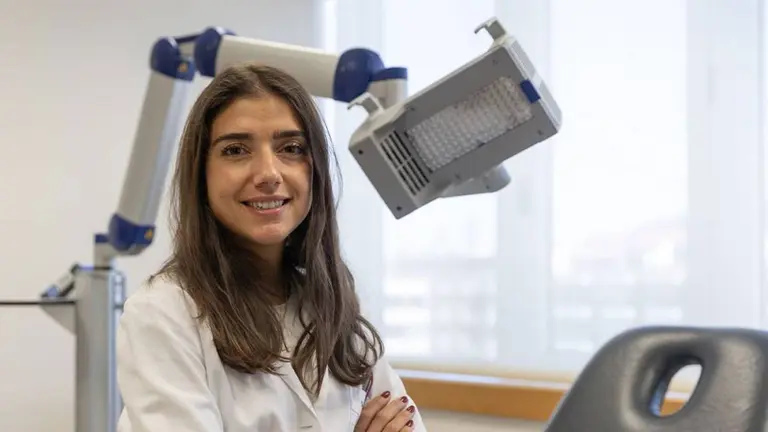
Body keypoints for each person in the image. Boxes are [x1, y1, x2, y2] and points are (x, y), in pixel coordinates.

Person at [115, 63, 426, 432]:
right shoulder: (162, 314)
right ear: (201, 174)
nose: (268, 174)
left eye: (291, 148)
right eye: (236, 150)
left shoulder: (334, 302)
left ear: (315, 170)